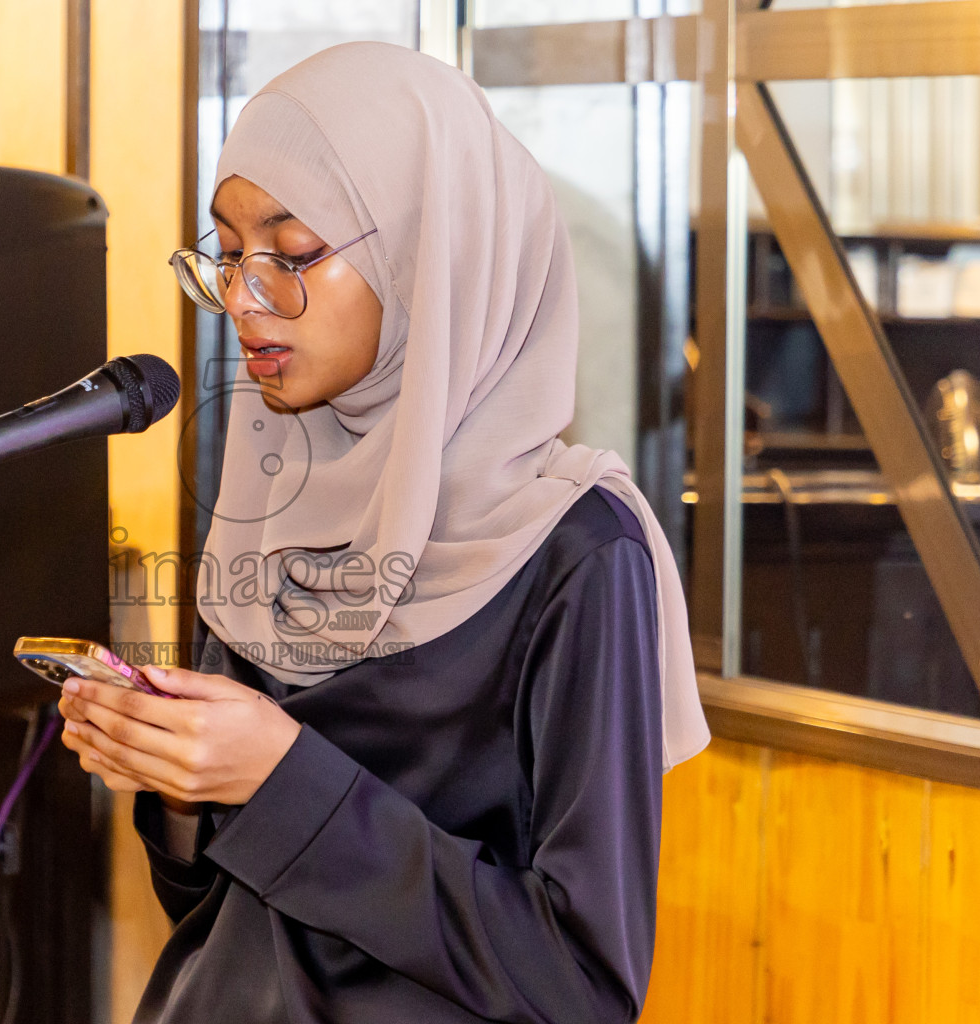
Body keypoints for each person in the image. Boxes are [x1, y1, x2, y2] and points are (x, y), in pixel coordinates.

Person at [56, 41, 710, 1024]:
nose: (244, 296)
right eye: (228, 254)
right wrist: (179, 784)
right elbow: (214, 910)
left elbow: (580, 984)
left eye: (293, 251)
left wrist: (284, 778)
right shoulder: (271, 503)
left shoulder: (576, 551)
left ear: (424, 253)